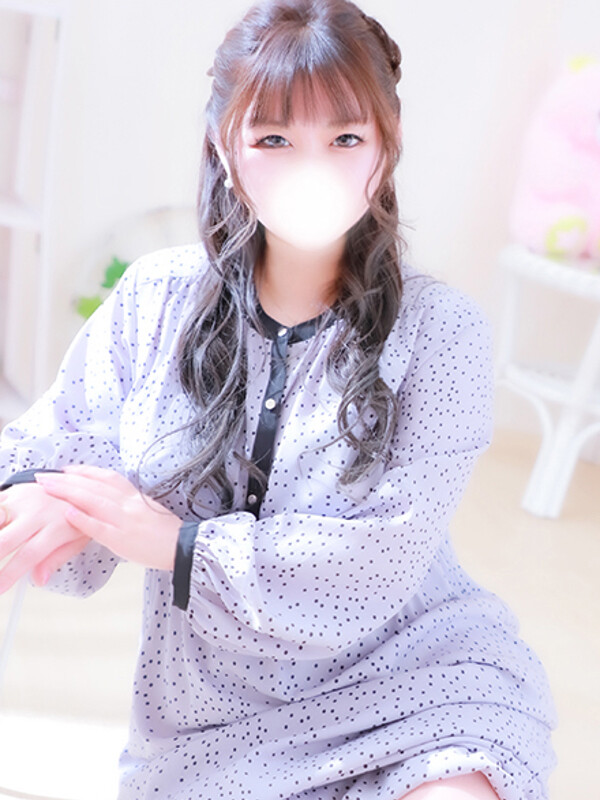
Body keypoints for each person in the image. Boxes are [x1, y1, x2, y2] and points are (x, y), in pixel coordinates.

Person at [0, 1, 557, 798]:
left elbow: (379, 559)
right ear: (224, 147)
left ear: (387, 146)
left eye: (345, 138)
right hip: (206, 724)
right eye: (273, 139)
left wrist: (177, 544)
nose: (312, 169)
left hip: (414, 687)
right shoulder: (155, 299)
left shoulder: (443, 332)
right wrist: (43, 498)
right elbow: (57, 444)